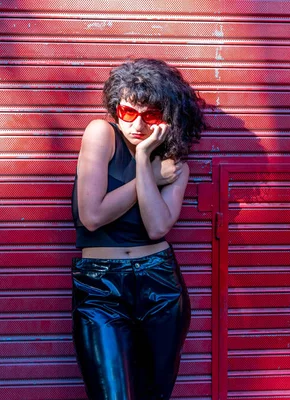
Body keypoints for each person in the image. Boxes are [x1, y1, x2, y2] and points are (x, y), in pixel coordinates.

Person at [70, 58, 205, 400]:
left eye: (152, 116)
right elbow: (92, 215)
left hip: (159, 285)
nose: (138, 125)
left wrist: (144, 160)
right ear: (116, 108)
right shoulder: (101, 133)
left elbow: (158, 226)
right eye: (129, 113)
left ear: (168, 118)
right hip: (100, 286)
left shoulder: (174, 163)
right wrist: (149, 179)